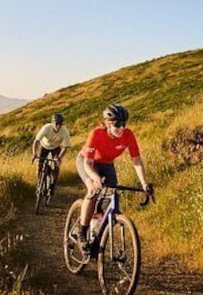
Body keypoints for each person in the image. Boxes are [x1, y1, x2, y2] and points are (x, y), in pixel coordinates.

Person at [75, 104, 149, 248]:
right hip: (87, 162)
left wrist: (144, 184)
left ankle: (97, 233)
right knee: (93, 190)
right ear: (108, 124)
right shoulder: (96, 134)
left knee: (112, 200)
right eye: (117, 124)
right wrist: (95, 179)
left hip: (107, 164)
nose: (121, 128)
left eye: (124, 124)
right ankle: (81, 231)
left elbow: (137, 160)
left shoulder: (128, 135)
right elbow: (87, 164)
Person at [32, 112, 70, 185]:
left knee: (56, 166)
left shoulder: (65, 131)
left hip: (56, 148)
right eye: (56, 123)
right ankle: (39, 184)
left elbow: (65, 148)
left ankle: (53, 184)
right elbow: (36, 141)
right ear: (52, 123)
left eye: (60, 123)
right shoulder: (46, 128)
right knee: (39, 166)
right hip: (44, 146)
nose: (58, 126)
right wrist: (34, 153)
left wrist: (59, 157)